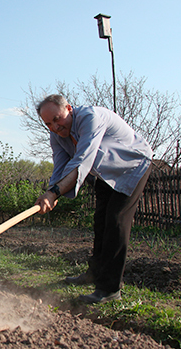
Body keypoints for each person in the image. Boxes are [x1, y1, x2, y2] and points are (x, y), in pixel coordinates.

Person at [35, 94, 152, 304]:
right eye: (48, 124)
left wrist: (54, 193)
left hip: (132, 166)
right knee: (100, 222)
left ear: (69, 108)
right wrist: (52, 192)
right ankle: (94, 273)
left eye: (57, 118)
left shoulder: (91, 118)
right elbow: (60, 167)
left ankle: (110, 289)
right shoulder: (57, 136)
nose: (54, 126)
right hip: (105, 172)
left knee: (116, 222)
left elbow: (82, 160)